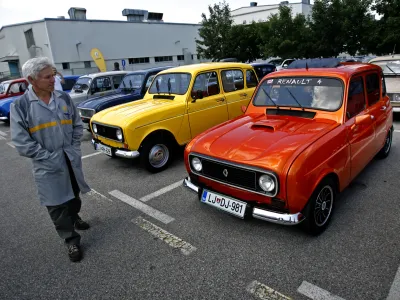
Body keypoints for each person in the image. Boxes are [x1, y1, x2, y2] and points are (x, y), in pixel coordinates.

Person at [10, 57, 91, 262]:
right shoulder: (20, 106)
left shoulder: (63, 98)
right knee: (56, 205)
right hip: (47, 165)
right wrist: (48, 157)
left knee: (73, 196)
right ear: (31, 80)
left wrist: (73, 148)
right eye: (47, 77)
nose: (53, 79)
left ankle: (74, 217)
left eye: (53, 75)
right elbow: (21, 142)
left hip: (69, 160)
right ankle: (71, 240)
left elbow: (76, 125)